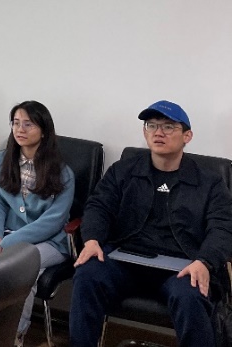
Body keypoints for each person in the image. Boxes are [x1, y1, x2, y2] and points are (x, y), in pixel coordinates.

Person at [69, 101, 232, 347]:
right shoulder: (123, 171)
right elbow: (98, 206)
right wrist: (92, 240)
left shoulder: (210, 182)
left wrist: (204, 261)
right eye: (152, 125)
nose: (158, 132)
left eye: (168, 127)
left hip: (182, 265)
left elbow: (223, 227)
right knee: (87, 275)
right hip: (128, 259)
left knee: (191, 293)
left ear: (187, 136)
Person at [0, 101, 75, 347]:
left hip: (50, 242)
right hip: (6, 234)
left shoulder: (62, 172)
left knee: (22, 269)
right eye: (16, 123)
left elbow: (54, 221)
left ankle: (13, 336)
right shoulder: (1, 161)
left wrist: (10, 242)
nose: (20, 129)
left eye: (28, 124)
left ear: (44, 130)